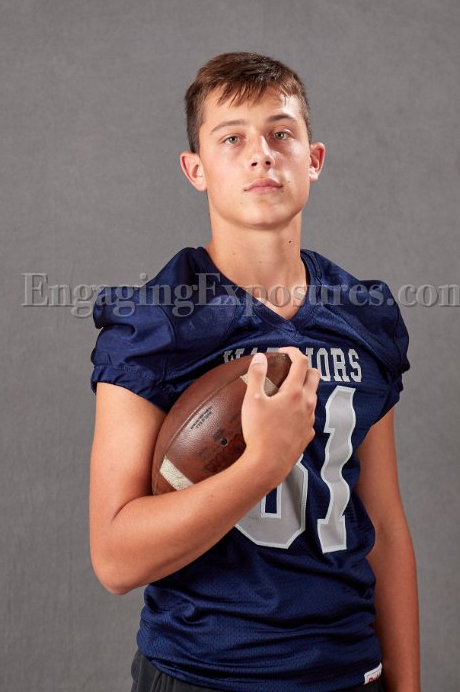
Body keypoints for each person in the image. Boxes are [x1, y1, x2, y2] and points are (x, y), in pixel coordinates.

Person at [89, 52, 420, 692]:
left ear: (313, 159)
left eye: (280, 133)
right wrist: (262, 465)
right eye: (232, 138)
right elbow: (114, 558)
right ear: (197, 169)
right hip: (204, 671)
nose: (261, 154)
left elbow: (384, 526)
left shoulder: (363, 315)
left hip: (348, 670)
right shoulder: (157, 321)